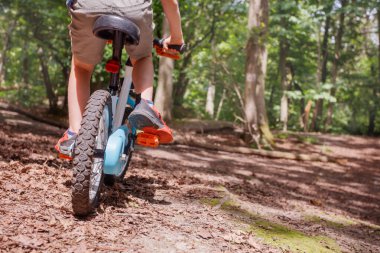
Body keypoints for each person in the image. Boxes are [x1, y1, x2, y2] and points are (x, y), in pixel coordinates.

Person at [55, 0, 184, 157]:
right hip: (133, 8)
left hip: (89, 6)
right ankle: (145, 104)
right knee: (142, 57)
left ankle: (74, 133)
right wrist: (176, 38)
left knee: (81, 67)